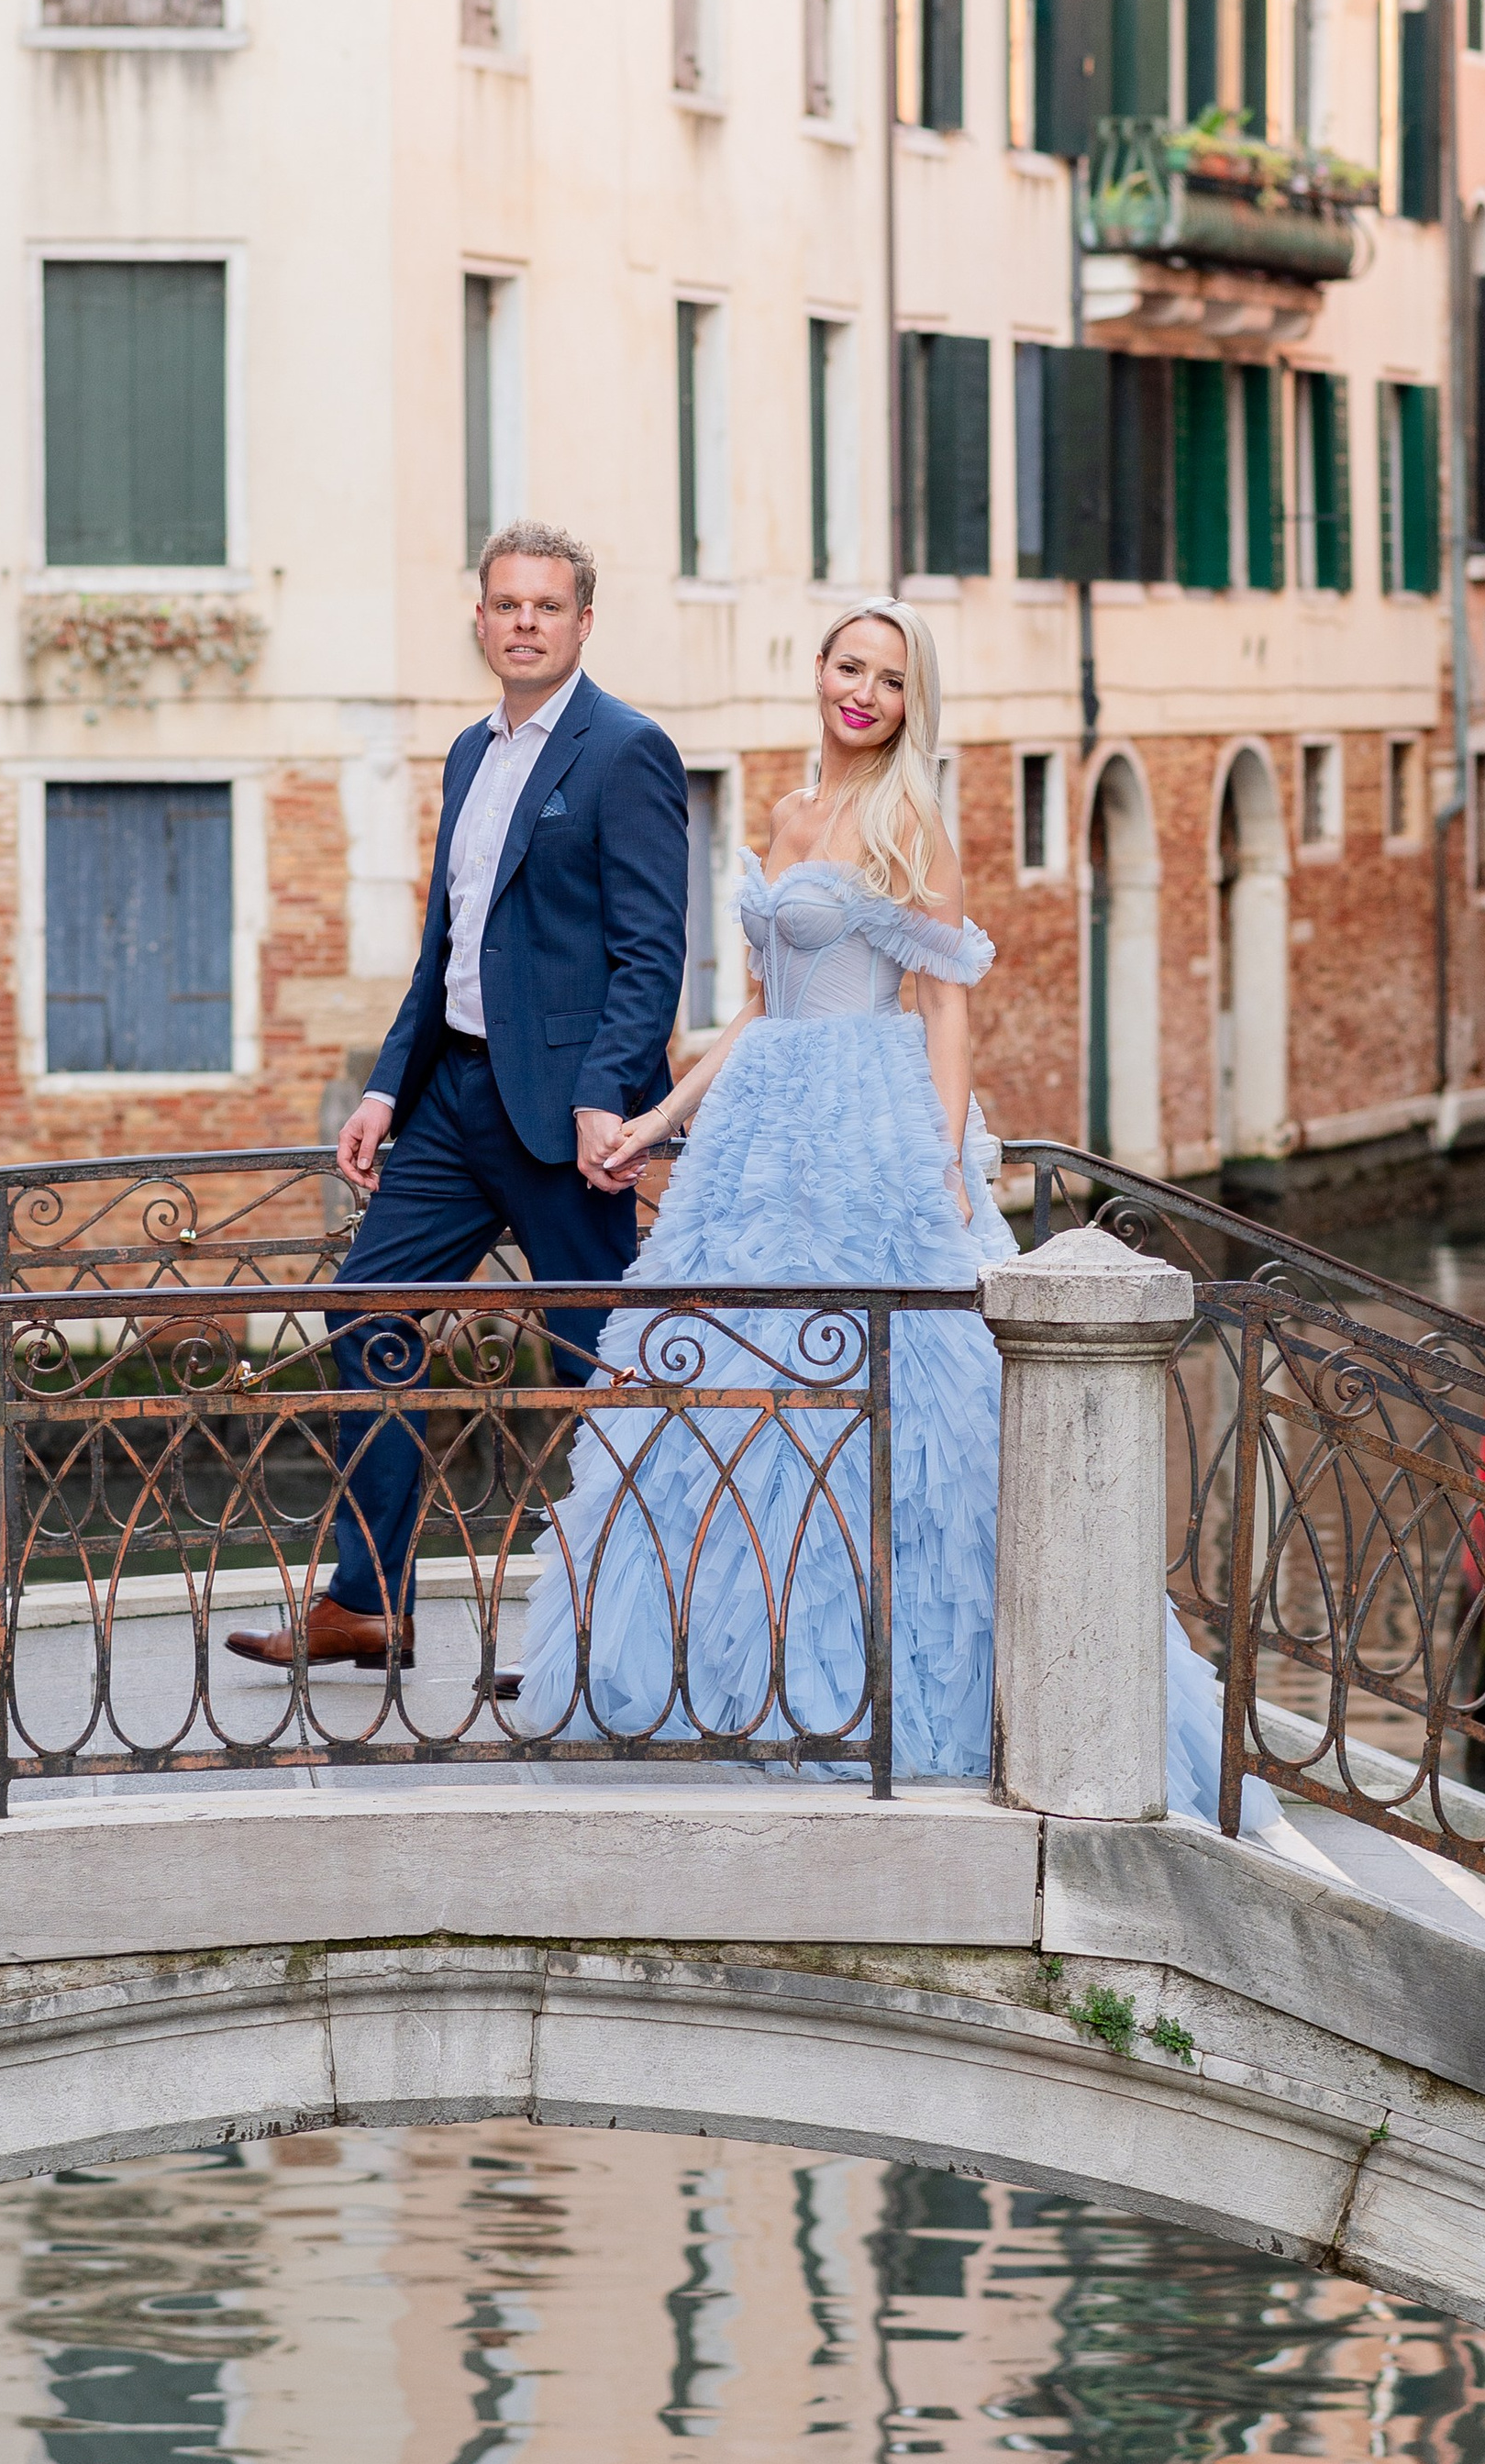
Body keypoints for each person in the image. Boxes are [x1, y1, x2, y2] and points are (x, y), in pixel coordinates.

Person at [514, 595, 1267, 1819]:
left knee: (892, 1413)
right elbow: (761, 1000)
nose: (864, 692)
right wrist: (656, 1120)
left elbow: (945, 1004)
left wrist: (939, 1164)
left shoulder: (908, 816)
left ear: (917, 703)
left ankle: (878, 1694)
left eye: (891, 680)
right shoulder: (790, 805)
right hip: (760, 1129)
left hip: (863, 1124)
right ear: (818, 672)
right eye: (849, 667)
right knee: (719, 1395)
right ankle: (726, 1679)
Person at [226, 527, 688, 1673]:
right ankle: (367, 1600)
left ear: (584, 622)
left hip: (566, 1122)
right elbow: (447, 945)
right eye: (505, 604)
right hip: (454, 1099)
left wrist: (604, 1100)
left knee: (603, 1363)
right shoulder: (468, 755)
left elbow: (650, 953)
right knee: (367, 1309)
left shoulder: (628, 750)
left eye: (547, 604)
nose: (524, 621)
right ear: (480, 621)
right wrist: (388, 1082)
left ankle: (649, 1616)